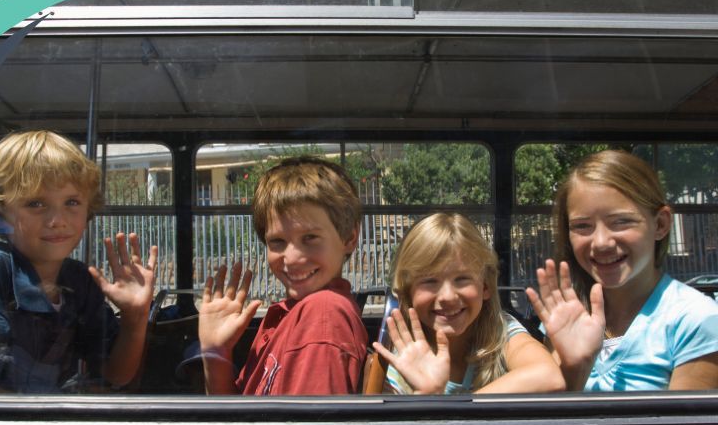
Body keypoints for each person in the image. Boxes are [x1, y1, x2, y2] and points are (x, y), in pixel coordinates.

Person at [0, 130, 157, 393]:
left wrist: (135, 317)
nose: (57, 220)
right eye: (36, 203)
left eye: (72, 202)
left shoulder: (78, 280)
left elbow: (116, 374)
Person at [526, 149, 718, 391]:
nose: (601, 242)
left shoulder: (698, 321)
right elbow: (547, 422)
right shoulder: (567, 315)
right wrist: (576, 367)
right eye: (583, 226)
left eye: (622, 221)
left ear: (660, 224)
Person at [198, 156, 368, 395]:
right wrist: (216, 351)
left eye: (310, 238)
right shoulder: (294, 314)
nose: (292, 258)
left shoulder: (322, 313)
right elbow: (234, 418)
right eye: (277, 241)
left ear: (349, 238)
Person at [373, 213, 564, 394]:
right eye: (429, 281)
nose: (448, 296)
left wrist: (460, 407)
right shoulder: (402, 358)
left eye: (462, 279)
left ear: (486, 286)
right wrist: (428, 395)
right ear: (408, 292)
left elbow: (549, 376)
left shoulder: (501, 331)